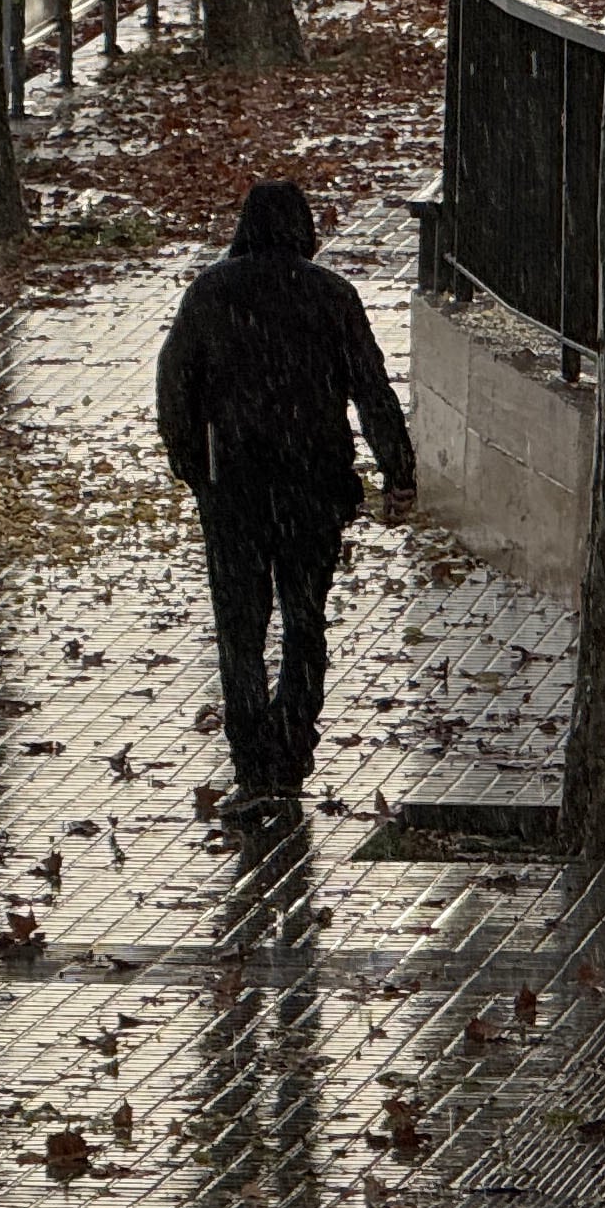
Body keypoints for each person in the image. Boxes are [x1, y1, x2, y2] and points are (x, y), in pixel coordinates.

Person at [155, 180, 415, 803]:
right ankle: (293, 743)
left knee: (240, 628)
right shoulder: (331, 296)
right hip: (313, 485)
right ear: (303, 229)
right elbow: (371, 389)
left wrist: (194, 466)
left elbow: (174, 386)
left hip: (236, 488)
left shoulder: (211, 294)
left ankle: (252, 759)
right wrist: (397, 472)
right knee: (305, 619)